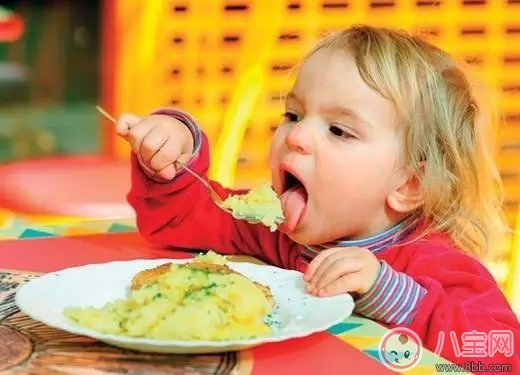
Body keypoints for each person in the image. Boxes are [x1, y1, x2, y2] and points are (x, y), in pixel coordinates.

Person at [116, 25, 520, 372]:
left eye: (339, 131)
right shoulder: (273, 232)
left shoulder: (434, 263)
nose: (295, 136)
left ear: (410, 184)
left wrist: (392, 294)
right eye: (293, 115)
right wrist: (172, 152)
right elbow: (177, 221)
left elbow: (503, 355)